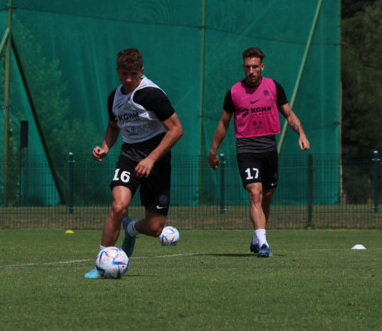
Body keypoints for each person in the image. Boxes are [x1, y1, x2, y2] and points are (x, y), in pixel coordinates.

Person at [84, 48, 183, 278]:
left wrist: (151, 159)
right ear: (117, 71)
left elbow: (177, 130)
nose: (128, 79)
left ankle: (131, 229)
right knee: (118, 207)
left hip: (156, 159)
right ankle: (101, 263)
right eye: (124, 74)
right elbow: (112, 126)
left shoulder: (153, 95)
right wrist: (106, 147)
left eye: (134, 74)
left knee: (155, 228)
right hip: (129, 155)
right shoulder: (114, 97)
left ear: (142, 71)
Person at [208, 47, 310, 257]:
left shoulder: (273, 87)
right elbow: (223, 123)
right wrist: (213, 151)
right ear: (243, 67)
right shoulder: (234, 92)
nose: (251, 70)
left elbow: (289, 114)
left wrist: (301, 133)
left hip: (269, 146)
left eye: (255, 66)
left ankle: (257, 237)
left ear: (261, 67)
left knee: (267, 196)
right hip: (246, 147)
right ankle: (264, 244)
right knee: (255, 193)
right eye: (248, 67)